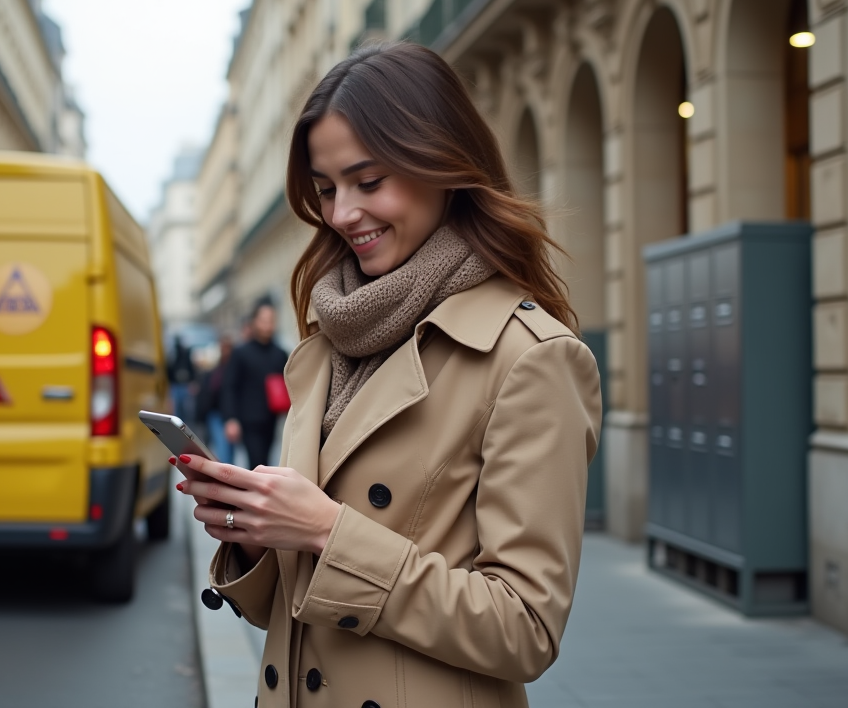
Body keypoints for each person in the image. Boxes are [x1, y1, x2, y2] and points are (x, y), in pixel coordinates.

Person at [173, 42, 601, 708]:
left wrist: (324, 530)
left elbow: (526, 628)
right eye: (326, 189)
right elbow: (293, 617)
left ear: (442, 164)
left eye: (368, 182)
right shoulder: (327, 346)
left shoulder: (531, 358)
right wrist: (257, 535)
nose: (342, 213)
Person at [219, 301, 288, 469]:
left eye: (271, 320)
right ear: (254, 322)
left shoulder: (280, 354)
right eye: (263, 320)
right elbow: (229, 387)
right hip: (248, 420)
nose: (267, 325)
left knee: (267, 461)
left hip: (271, 418)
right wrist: (230, 419)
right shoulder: (240, 353)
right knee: (256, 463)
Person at [194, 335, 234, 464]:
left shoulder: (232, 368)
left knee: (227, 452)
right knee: (223, 451)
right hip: (214, 413)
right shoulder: (215, 368)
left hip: (226, 415)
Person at [165, 336, 195, 420]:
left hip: (183, 384)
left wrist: (192, 381)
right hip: (176, 384)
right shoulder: (172, 353)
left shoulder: (184, 352)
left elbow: (190, 367)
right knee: (178, 409)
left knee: (184, 408)